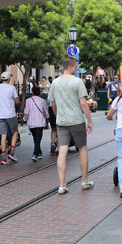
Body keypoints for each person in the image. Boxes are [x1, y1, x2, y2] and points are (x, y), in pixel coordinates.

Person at [49, 57, 95, 194]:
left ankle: (62, 184)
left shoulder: (55, 83)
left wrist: (58, 116)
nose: (77, 69)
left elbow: (52, 103)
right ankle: (84, 181)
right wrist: (90, 120)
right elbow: (83, 103)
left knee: (62, 152)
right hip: (76, 121)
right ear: (70, 67)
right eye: (76, 66)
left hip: (62, 122)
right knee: (82, 149)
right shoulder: (77, 82)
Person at [0, 71, 20, 164]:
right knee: (15, 132)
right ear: (8, 79)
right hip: (10, 114)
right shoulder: (11, 88)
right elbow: (17, 101)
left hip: (0, 115)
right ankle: (12, 153)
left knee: (3, 135)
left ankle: (4, 158)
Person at [23, 85, 50, 161]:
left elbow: (26, 112)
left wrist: (26, 119)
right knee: (38, 139)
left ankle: (39, 152)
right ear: (40, 92)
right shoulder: (42, 101)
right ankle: (35, 154)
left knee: (36, 138)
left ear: (32, 92)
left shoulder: (28, 101)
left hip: (31, 123)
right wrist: (47, 118)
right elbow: (46, 112)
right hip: (40, 122)